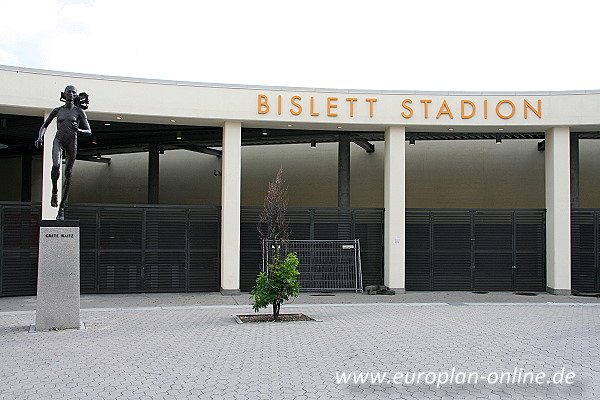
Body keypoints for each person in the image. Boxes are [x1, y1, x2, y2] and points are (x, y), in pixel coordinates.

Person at [35, 85, 91, 220]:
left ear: (76, 95)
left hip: (72, 142)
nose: (70, 94)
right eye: (68, 92)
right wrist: (40, 136)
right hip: (59, 140)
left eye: (73, 92)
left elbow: (89, 131)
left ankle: (61, 209)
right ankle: (54, 190)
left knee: (68, 174)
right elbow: (44, 125)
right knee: (56, 165)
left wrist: (79, 130)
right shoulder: (58, 111)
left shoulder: (79, 112)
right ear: (64, 94)